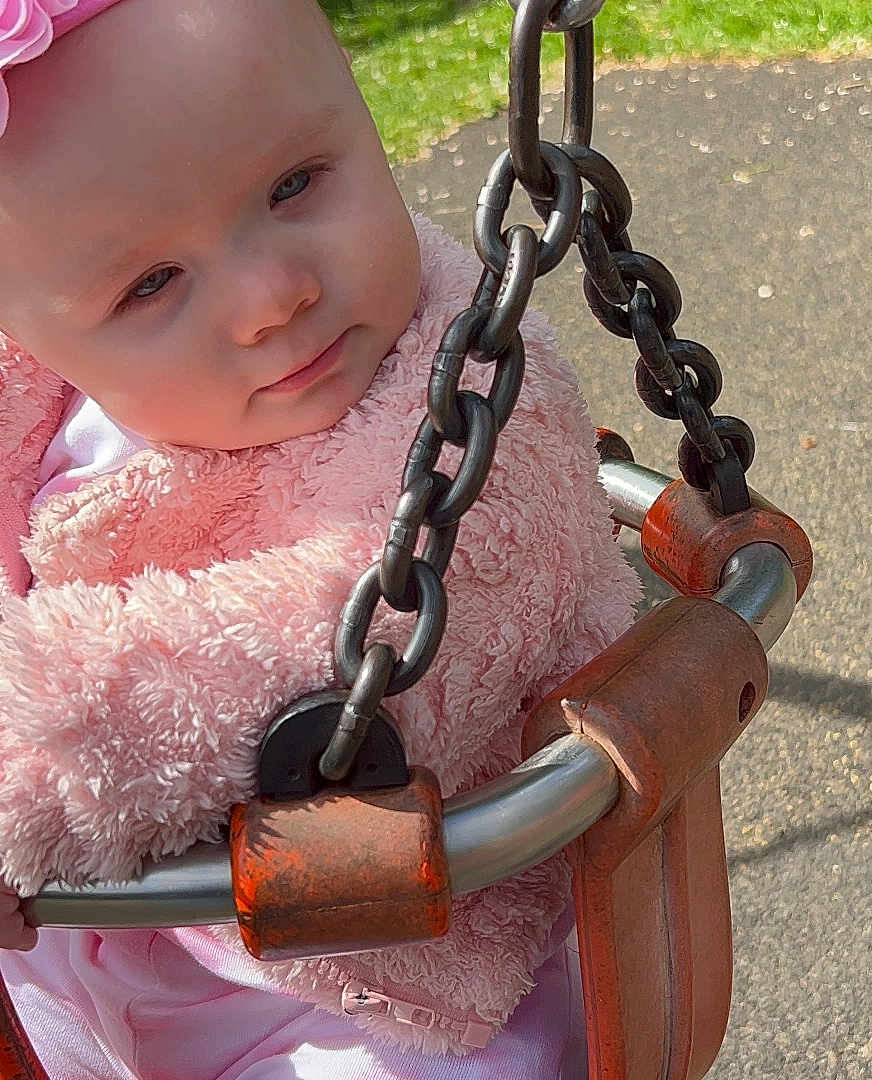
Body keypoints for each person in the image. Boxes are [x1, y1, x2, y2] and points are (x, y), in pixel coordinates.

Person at [0, 0, 640, 1076]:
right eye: (151, 284)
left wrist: (21, 780)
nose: (270, 297)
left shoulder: (474, 397)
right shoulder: (42, 392)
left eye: (294, 184)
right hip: (101, 955)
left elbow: (309, 659)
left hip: (383, 984)